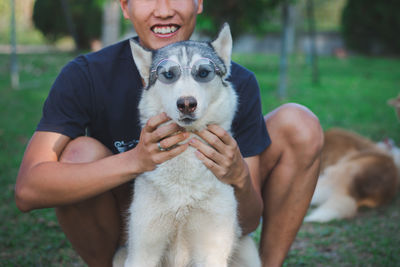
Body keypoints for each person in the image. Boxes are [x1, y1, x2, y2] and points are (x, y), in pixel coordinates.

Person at [15, 0, 323, 266]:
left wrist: (238, 175)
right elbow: (29, 190)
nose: (163, 10)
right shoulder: (86, 75)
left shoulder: (234, 83)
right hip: (129, 226)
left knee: (300, 123)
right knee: (79, 154)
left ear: (198, 2)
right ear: (125, 6)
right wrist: (137, 161)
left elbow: (248, 220)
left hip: (210, 224)